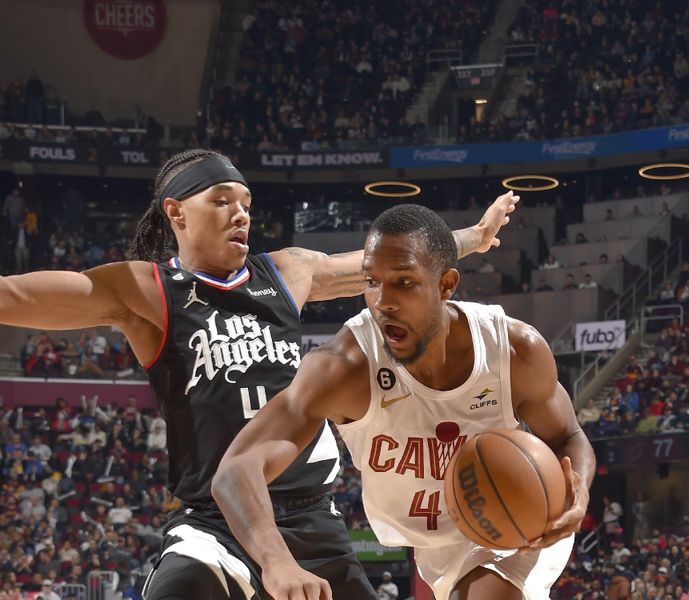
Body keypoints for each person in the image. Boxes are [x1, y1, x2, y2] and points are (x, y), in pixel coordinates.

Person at [0, 149, 518, 600]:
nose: (240, 213)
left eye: (246, 203)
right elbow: (19, 296)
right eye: (222, 200)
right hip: (213, 523)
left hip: (311, 519)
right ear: (176, 212)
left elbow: (394, 259)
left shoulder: (287, 271)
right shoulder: (147, 289)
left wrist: (476, 235)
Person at [212, 204, 595, 600]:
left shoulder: (514, 350)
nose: (382, 302)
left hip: (520, 514)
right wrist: (276, 561)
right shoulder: (342, 368)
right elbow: (236, 470)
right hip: (435, 546)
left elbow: (568, 435)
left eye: (404, 282)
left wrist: (578, 488)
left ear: (446, 284)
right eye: (372, 282)